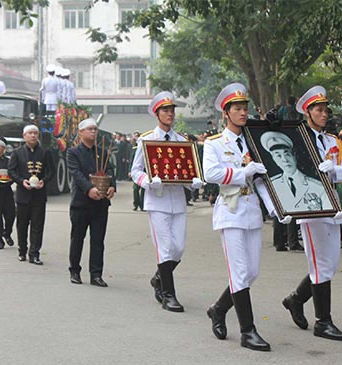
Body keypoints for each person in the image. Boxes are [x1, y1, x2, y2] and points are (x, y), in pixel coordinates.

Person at [203, 83, 283, 352]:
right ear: (226, 113)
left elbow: (260, 180)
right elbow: (211, 174)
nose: (243, 113)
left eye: (245, 108)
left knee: (251, 272)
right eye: (237, 109)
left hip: (251, 211)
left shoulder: (252, 142)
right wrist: (243, 172)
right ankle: (248, 331)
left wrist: (275, 207)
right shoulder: (214, 143)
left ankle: (218, 308)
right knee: (238, 272)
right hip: (230, 210)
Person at [282, 85, 342, 342]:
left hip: (332, 207)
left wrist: (335, 171)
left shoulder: (331, 141)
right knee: (320, 265)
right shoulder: (297, 140)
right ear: (308, 112)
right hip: (310, 206)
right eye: (318, 109)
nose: (324, 114)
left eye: (326, 109)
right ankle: (322, 322)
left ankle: (296, 299)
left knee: (331, 264)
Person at [131, 91, 203, 312]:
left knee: (178, 249)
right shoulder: (146, 139)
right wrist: (148, 182)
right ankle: (168, 296)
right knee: (165, 248)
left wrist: (195, 182)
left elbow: (188, 171)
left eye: (172, 110)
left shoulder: (182, 140)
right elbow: (135, 171)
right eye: (165, 110)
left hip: (177, 201)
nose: (170, 114)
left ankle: (158, 278)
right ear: (157, 114)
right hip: (157, 201)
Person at [67, 118, 116, 287]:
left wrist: (112, 186)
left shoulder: (102, 151)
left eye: (95, 129)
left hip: (100, 203)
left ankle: (96, 274)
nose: (94, 132)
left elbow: (109, 170)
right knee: (77, 238)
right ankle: (74, 270)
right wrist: (89, 189)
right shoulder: (73, 152)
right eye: (90, 129)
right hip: (81, 203)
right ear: (81, 132)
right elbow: (76, 173)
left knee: (98, 240)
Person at [8, 125, 54, 265]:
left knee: (37, 225)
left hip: (39, 195)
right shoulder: (17, 152)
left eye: (35, 133)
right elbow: (11, 171)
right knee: (22, 225)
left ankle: (34, 253)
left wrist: (43, 182)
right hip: (23, 195)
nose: (33, 135)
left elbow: (51, 171)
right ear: (24, 136)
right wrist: (22, 182)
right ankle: (22, 250)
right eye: (30, 133)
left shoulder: (45, 152)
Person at [260, 131, 331, 212]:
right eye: (278, 156)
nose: (284, 160)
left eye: (287, 154)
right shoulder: (272, 185)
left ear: (294, 155)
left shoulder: (318, 186)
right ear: (274, 159)